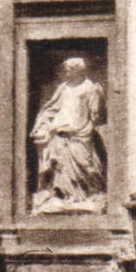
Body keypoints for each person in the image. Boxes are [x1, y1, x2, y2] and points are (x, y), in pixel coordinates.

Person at [30, 58, 108, 213]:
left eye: (68, 70)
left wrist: (86, 130)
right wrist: (42, 123)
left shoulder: (90, 88)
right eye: (65, 69)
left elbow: (96, 116)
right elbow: (51, 108)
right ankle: (66, 197)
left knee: (85, 165)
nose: (65, 73)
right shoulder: (63, 88)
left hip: (81, 134)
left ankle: (87, 196)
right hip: (60, 134)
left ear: (78, 70)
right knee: (60, 166)